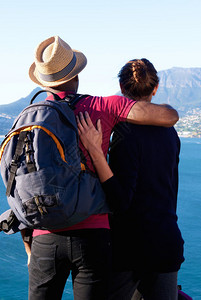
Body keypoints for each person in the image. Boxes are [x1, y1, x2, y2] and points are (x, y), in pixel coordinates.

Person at [25, 37, 179, 300]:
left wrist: (29, 244)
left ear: (42, 81)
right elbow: (169, 116)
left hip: (46, 234)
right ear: (77, 74)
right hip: (97, 234)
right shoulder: (103, 107)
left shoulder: (31, 115)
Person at [76, 58, 184, 300]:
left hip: (128, 248)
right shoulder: (171, 132)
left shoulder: (124, 133)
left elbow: (121, 201)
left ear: (122, 89)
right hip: (166, 242)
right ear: (155, 89)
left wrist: (95, 151)